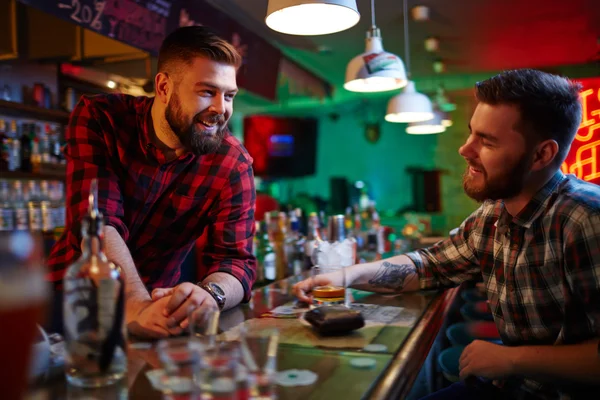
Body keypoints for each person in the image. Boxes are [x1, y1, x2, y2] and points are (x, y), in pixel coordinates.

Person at [294, 69, 600, 399]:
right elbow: (428, 266)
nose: (465, 150)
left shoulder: (585, 219)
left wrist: (511, 359)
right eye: (472, 134)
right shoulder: (495, 214)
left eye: (487, 142)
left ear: (542, 154)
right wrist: (343, 276)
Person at [47, 26, 257, 339]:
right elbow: (97, 222)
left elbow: (236, 262)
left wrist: (211, 296)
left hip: (160, 311)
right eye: (206, 91)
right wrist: (136, 303)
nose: (221, 108)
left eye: (229, 96)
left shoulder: (232, 163)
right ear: (163, 87)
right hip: (72, 303)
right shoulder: (102, 118)